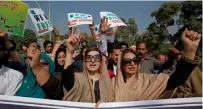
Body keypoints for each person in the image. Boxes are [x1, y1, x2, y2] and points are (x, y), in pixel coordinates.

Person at [113, 30, 201, 102]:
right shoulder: (112, 83)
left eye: (135, 60)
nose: (132, 64)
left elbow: (176, 80)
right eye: (127, 61)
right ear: (121, 64)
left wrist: (189, 51)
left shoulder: (149, 80)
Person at [62, 34, 114, 103]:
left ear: (101, 62)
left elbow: (112, 102)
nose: (93, 61)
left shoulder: (107, 82)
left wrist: (105, 104)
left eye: (96, 57)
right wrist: (69, 52)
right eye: (89, 57)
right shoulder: (78, 78)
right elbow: (67, 78)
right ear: (84, 61)